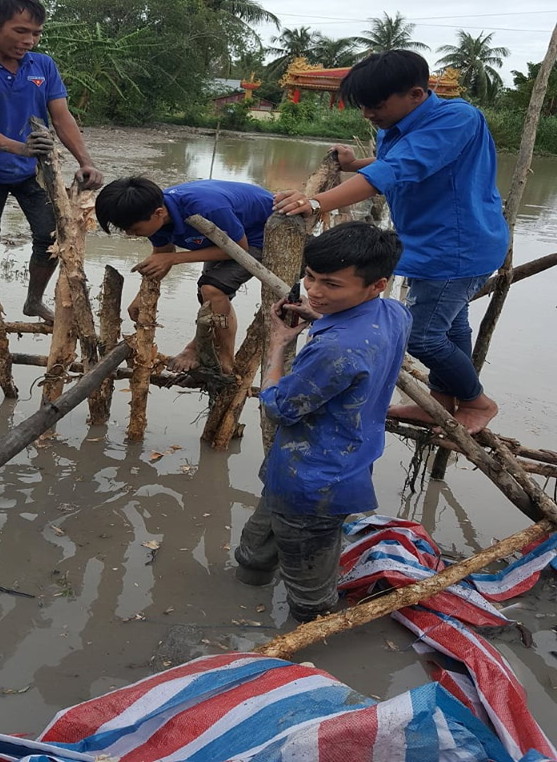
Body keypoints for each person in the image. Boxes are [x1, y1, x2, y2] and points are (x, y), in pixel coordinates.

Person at [273, 49, 509, 434]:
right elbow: (392, 160)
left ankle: (477, 402)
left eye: (375, 105)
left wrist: (315, 202)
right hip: (428, 243)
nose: (368, 114)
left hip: (458, 247)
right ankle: (443, 400)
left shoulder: (457, 118)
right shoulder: (394, 123)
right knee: (450, 328)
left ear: (416, 94)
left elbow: (401, 167)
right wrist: (354, 165)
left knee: (422, 335)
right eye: (364, 105)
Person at [235, 222, 411, 622]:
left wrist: (279, 343)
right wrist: (319, 316)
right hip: (334, 461)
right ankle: (246, 590)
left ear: (376, 284)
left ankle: (307, 640)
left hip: (312, 483)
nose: (313, 291)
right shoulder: (395, 313)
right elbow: (357, 346)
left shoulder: (335, 349)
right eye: (310, 277)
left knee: (309, 590)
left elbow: (278, 406)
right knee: (256, 547)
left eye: (331, 285)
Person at [0, 0, 103, 329]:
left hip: (33, 173)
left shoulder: (42, 65)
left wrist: (85, 160)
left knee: (51, 236)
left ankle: (33, 300)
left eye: (36, 33)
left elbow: (62, 117)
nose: (29, 40)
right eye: (21, 31)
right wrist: (19, 147)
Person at [95, 176, 273, 374]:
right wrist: (141, 298)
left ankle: (225, 360)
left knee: (212, 289)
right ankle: (199, 346)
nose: (130, 234)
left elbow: (239, 249)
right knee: (208, 295)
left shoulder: (207, 209)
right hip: (224, 237)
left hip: (260, 233)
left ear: (159, 213)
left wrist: (174, 259)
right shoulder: (154, 214)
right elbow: (162, 254)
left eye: (134, 229)